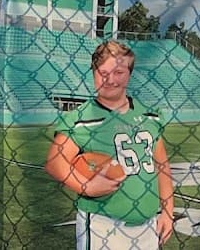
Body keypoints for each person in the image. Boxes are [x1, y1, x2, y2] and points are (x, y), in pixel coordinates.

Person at [45, 40, 174, 249]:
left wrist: (168, 211)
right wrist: (86, 186)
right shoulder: (81, 118)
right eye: (103, 72)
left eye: (119, 72)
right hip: (102, 224)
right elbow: (54, 162)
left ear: (129, 75)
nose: (110, 79)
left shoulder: (150, 116)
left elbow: (162, 165)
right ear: (93, 72)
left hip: (148, 224)